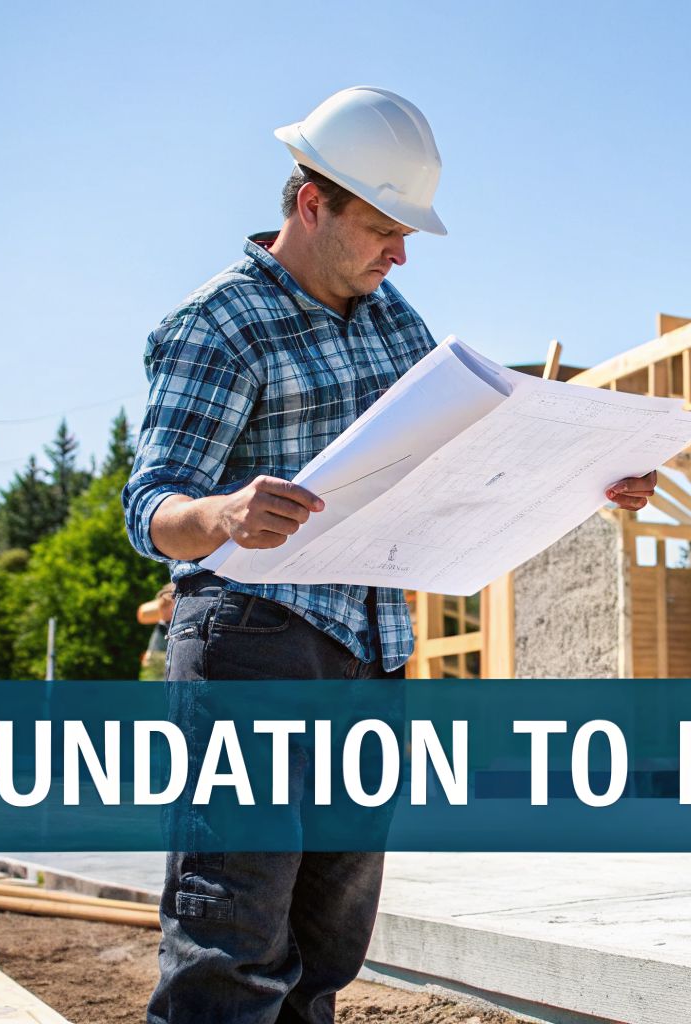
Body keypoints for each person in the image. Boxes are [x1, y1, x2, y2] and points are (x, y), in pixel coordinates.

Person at [122, 86, 657, 1024]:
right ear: (310, 203)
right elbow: (150, 507)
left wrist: (587, 478)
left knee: (328, 944)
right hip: (253, 643)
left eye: (407, 234)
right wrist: (225, 512)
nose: (400, 253)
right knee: (234, 934)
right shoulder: (220, 323)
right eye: (381, 227)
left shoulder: (392, 318)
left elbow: (461, 461)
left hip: (369, 649)